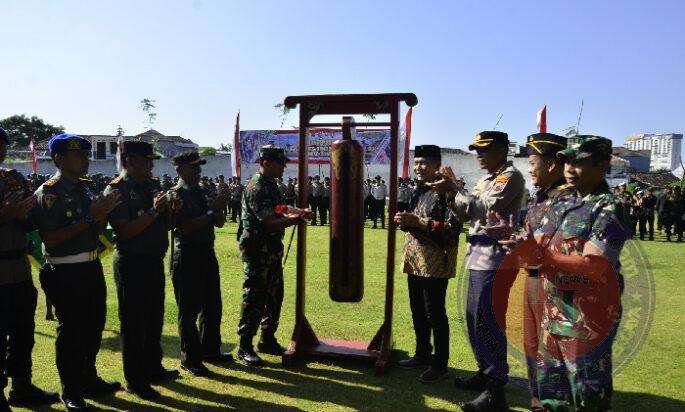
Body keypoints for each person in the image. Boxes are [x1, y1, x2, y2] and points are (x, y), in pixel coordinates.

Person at [513, 136, 630, 410]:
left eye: (578, 162)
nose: (569, 169)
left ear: (602, 165)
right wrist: (515, 240)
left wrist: (544, 256)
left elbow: (594, 265)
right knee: (552, 392)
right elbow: (537, 243)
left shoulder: (609, 208)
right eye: (566, 161)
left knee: (586, 394)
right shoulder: (563, 204)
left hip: (587, 317)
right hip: (552, 311)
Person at [427, 131, 525, 411]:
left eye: (485, 150)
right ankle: (485, 373)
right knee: (474, 318)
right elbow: (464, 212)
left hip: (496, 258)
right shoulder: (485, 180)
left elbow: (484, 207)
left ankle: (495, 390)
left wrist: (456, 189)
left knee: (487, 319)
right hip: (478, 256)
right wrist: (452, 192)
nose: (479, 156)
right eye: (477, 151)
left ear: (502, 151)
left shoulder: (510, 177)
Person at [33, 134, 122, 410]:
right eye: (78, 155)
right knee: (71, 332)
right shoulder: (49, 193)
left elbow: (95, 228)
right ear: (58, 159)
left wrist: (102, 215)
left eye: (85, 154)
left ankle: (88, 378)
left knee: (94, 326)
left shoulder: (85, 188)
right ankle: (71, 390)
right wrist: (91, 217)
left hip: (90, 265)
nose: (85, 160)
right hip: (65, 271)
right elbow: (51, 239)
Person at [103, 141, 179, 400]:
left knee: (154, 319)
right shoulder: (117, 190)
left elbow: (164, 225)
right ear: (129, 160)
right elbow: (124, 231)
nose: (151, 165)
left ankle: (153, 368)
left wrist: (170, 211)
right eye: (146, 160)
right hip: (132, 263)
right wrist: (154, 211)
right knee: (134, 323)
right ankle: (136, 380)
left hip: (153, 261)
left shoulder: (151, 186)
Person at [0, 128, 59, 410]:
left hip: (20, 270)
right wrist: (5, 215)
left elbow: (30, 220)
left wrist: (24, 215)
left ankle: (22, 387)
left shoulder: (13, 178)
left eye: (2, 145)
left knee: (23, 333)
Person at [236, 146, 309, 366]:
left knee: (275, 296)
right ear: (265, 162)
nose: (283, 167)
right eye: (280, 163)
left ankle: (267, 340)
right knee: (255, 297)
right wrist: (297, 219)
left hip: (271, 251)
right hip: (257, 251)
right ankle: (244, 346)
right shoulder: (256, 186)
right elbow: (268, 222)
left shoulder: (271, 184)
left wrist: (297, 211)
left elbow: (279, 208)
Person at [395, 145, 460, 384]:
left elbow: (453, 229)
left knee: (435, 313)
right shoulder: (418, 190)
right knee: (418, 310)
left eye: (424, 163)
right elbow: (415, 222)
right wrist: (404, 221)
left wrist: (419, 223)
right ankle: (422, 353)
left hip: (436, 262)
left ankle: (440, 365)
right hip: (415, 259)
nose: (418, 167)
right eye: (416, 163)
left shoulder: (447, 190)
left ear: (436, 166)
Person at [518, 132, 571, 410]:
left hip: (552, 283)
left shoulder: (567, 198)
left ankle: (550, 402)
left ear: (551, 165)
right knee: (531, 343)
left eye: (532, 163)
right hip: (533, 277)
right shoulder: (540, 196)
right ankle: (537, 398)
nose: (529, 169)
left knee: (549, 346)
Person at [171, 151, 233, 377]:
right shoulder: (175, 195)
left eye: (199, 168)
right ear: (180, 169)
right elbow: (185, 227)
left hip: (207, 252)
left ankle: (210, 350)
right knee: (189, 310)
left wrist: (220, 206)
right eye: (193, 167)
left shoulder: (203, 191)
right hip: (187, 255)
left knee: (212, 305)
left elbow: (219, 222)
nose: (198, 172)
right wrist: (211, 210)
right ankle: (190, 358)